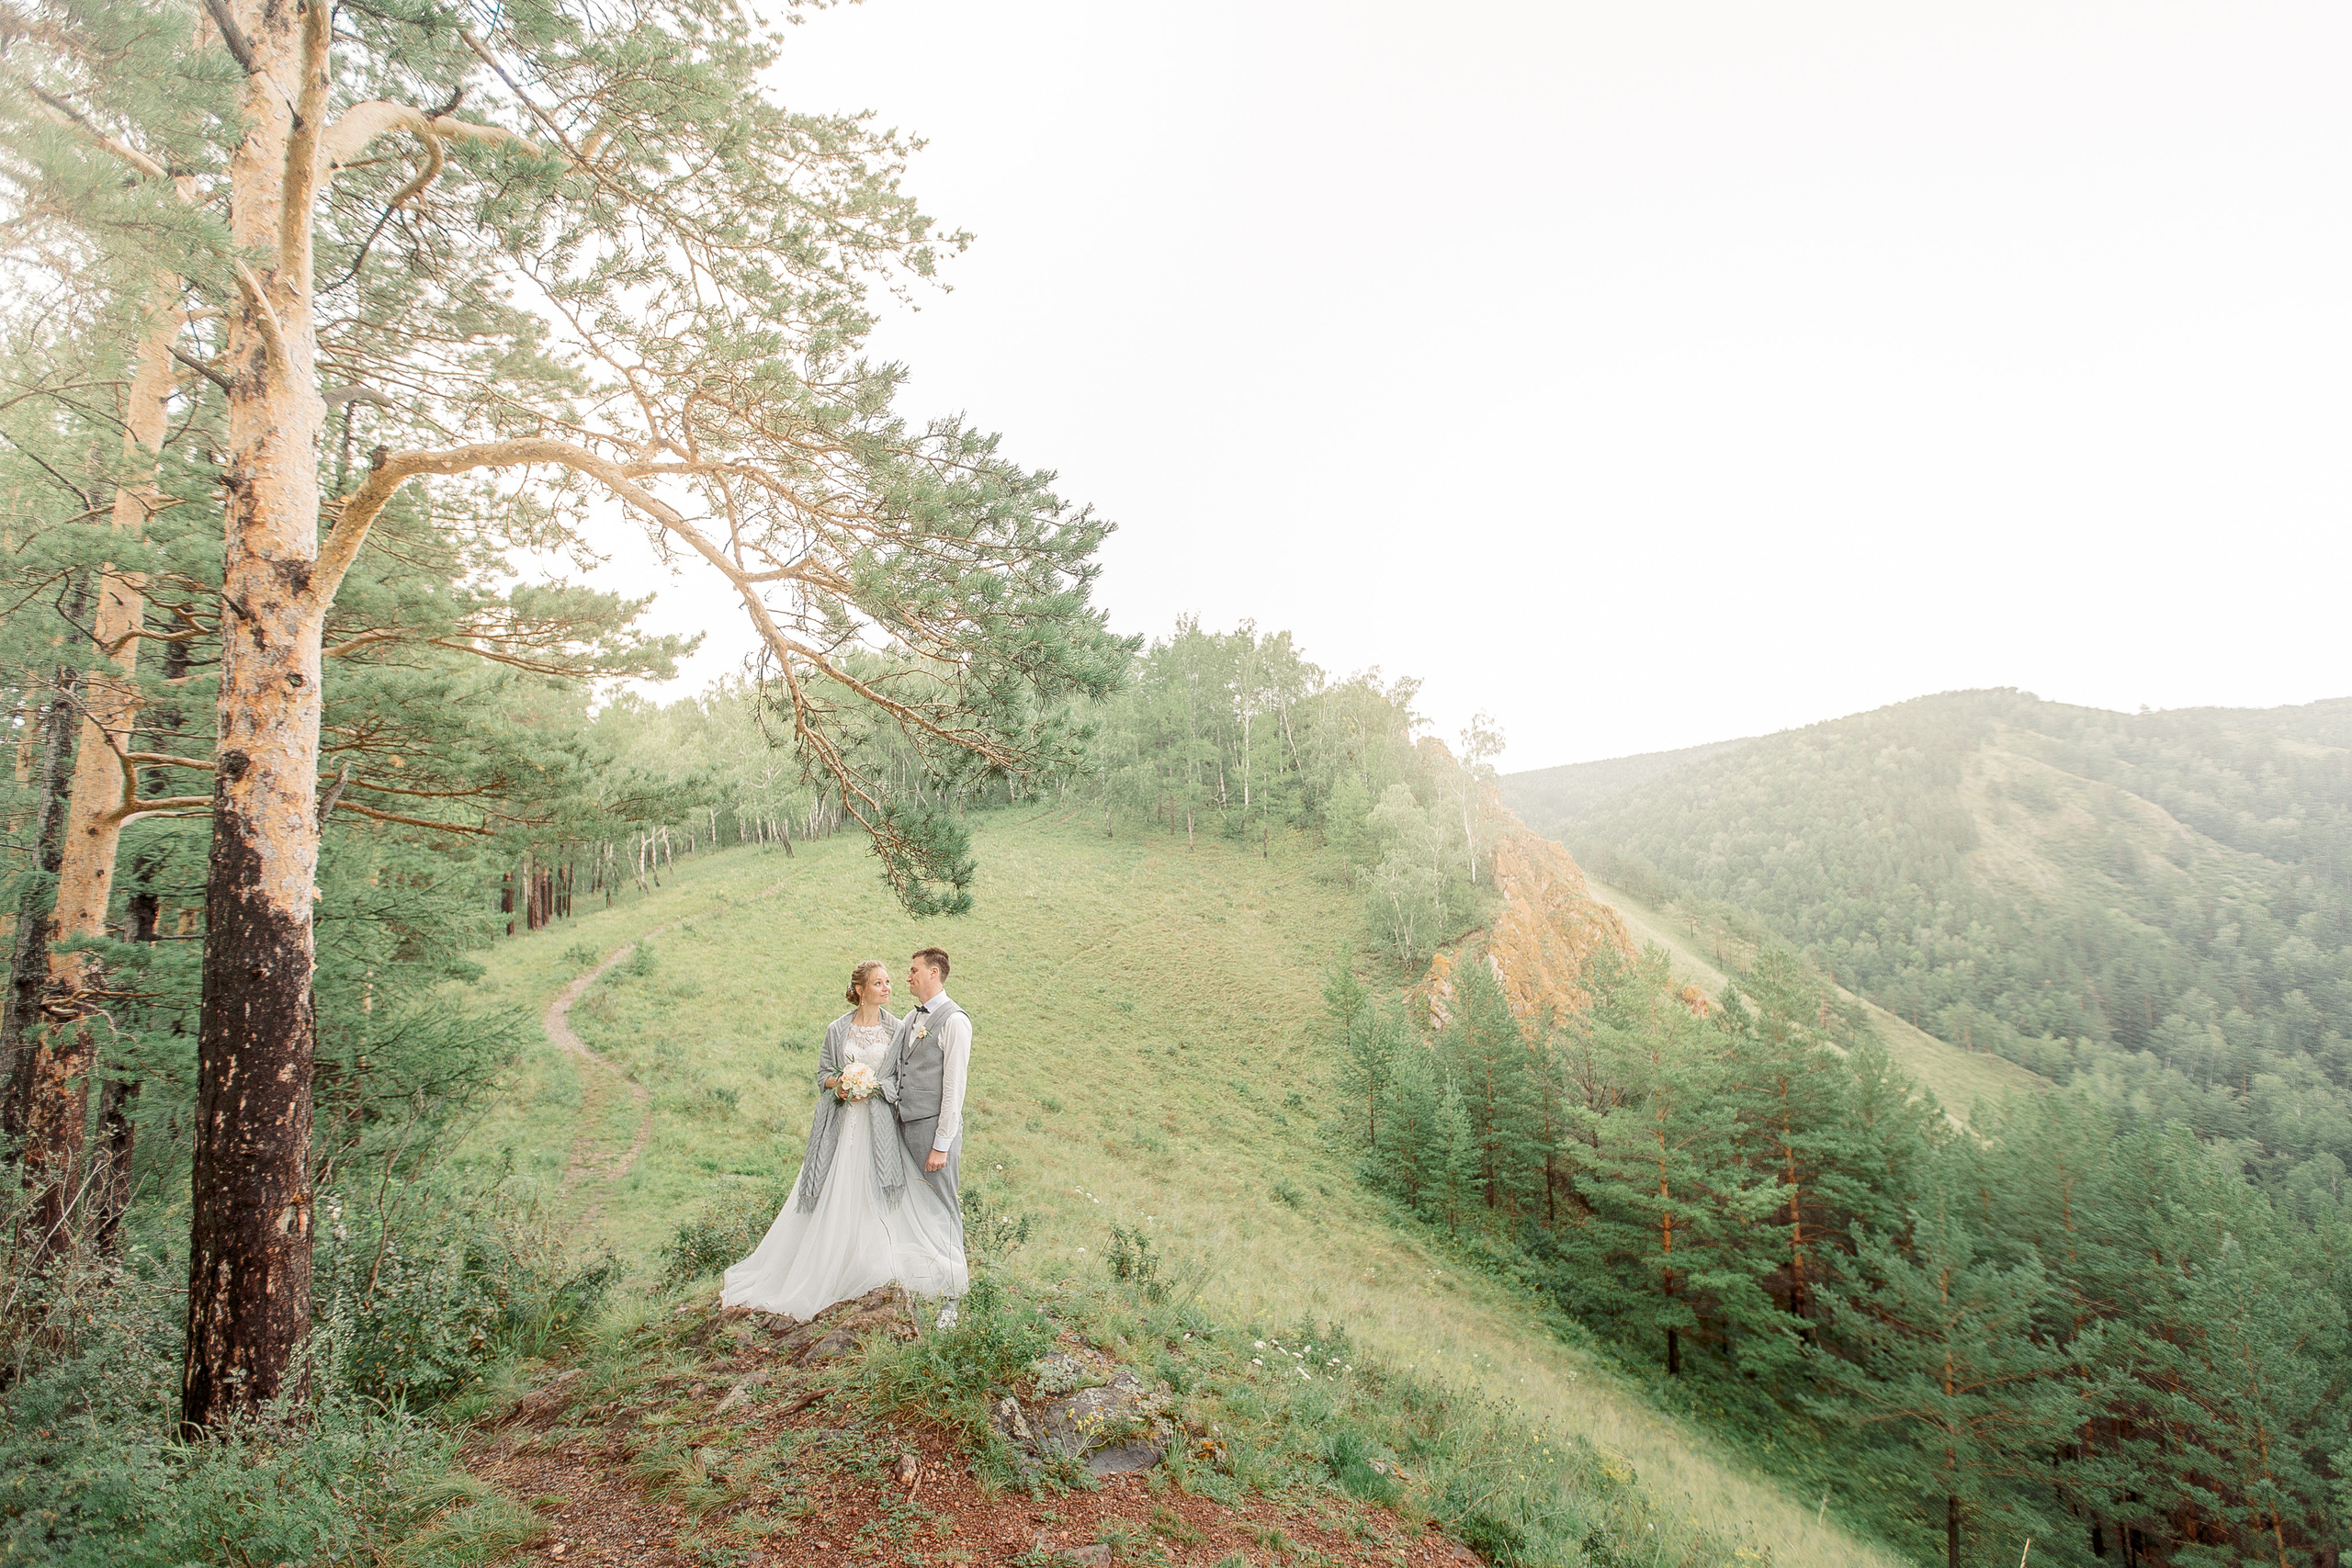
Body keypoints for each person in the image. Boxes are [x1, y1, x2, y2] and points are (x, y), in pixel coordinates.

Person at [720, 959, 968, 1320]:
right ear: (860, 989)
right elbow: (822, 1074)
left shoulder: (898, 1028)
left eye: (889, 982)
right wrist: (843, 1083)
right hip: (841, 1124)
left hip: (879, 1125)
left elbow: (899, 1078)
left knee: (878, 1191)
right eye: (879, 983)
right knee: (837, 1186)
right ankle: (827, 1265)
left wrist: (873, 1085)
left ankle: (886, 1267)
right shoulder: (837, 1029)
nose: (888, 987)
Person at [888, 946, 970, 1328]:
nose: (908, 977)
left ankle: (952, 1299)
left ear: (934, 973)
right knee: (913, 1209)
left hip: (933, 1132)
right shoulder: (910, 1017)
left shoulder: (955, 1021)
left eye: (914, 970)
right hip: (904, 1126)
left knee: (943, 1208)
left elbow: (954, 1088)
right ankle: (922, 1286)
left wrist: (942, 1144)